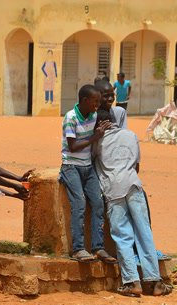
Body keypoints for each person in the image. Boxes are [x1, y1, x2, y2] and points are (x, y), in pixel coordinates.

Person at [93, 109, 171, 297]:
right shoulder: (130, 135)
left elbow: (92, 162)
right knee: (144, 231)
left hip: (113, 189)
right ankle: (155, 281)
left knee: (122, 236)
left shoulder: (96, 141)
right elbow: (137, 165)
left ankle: (131, 282)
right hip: (134, 185)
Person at [59, 84, 115, 263]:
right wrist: (95, 137)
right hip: (71, 165)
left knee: (98, 202)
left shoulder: (94, 115)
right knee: (79, 203)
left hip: (87, 166)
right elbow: (73, 146)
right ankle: (78, 249)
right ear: (84, 100)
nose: (98, 105)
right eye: (95, 102)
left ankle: (98, 247)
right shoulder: (71, 117)